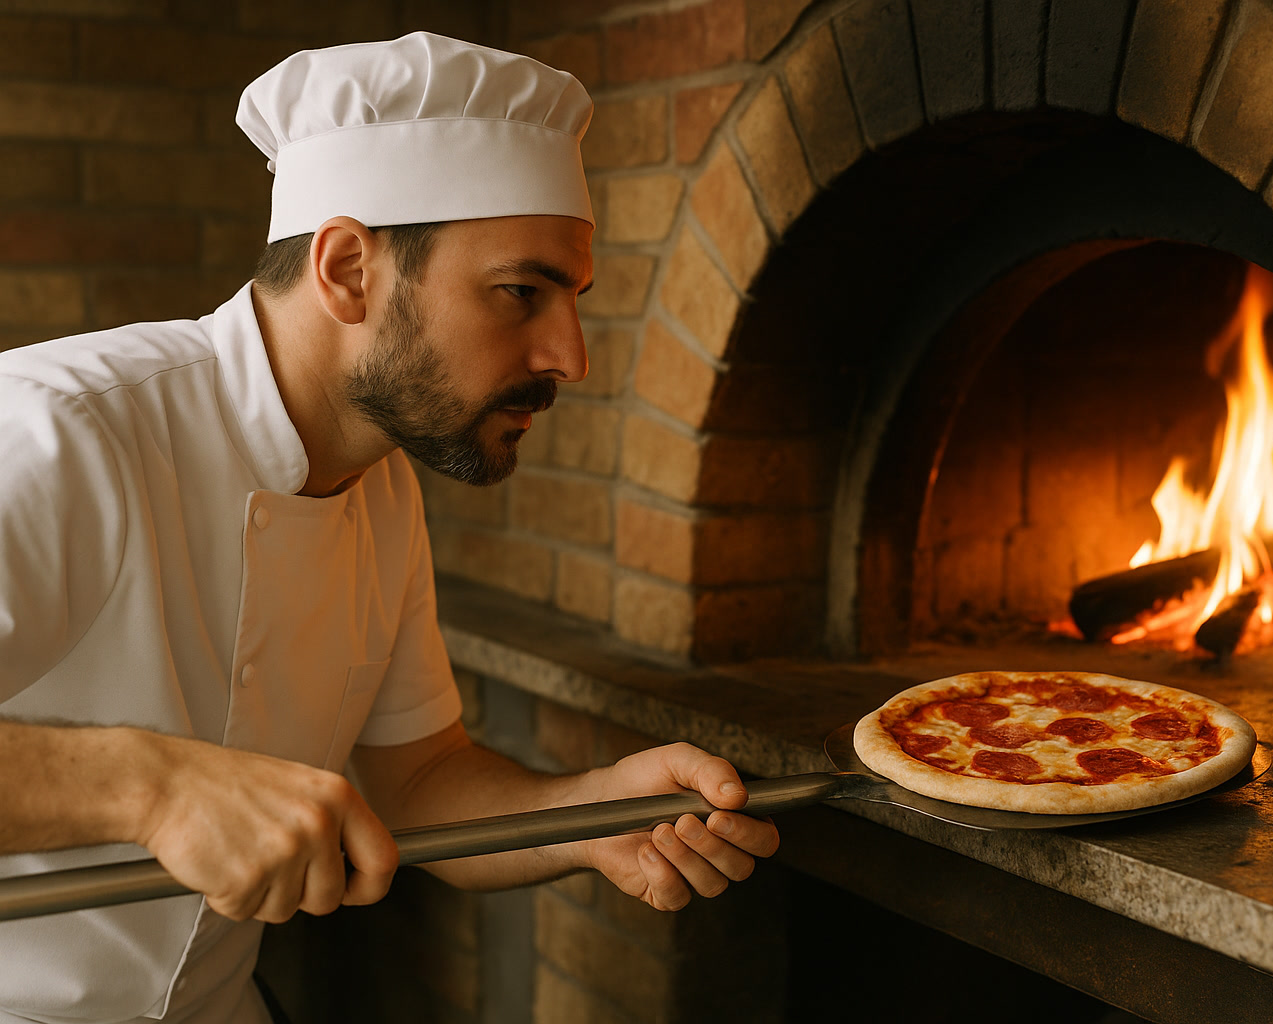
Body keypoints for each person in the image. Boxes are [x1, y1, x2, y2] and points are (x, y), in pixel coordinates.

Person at [0, 32, 778, 1024]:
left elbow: (417, 778)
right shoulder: (55, 434)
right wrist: (150, 784)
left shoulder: (381, 485)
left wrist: (590, 814)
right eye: (520, 292)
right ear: (348, 269)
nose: (569, 355)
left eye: (574, 301)